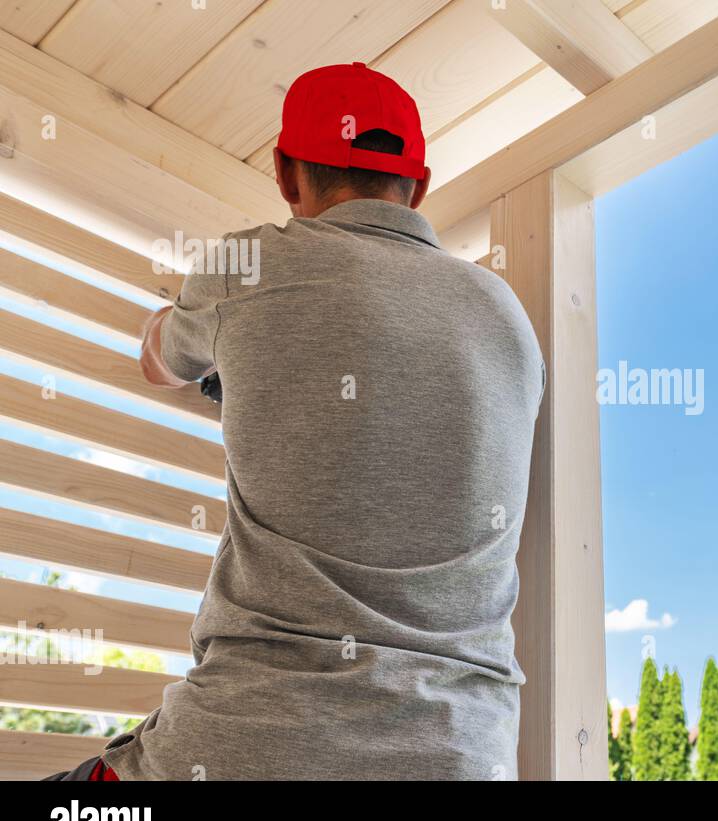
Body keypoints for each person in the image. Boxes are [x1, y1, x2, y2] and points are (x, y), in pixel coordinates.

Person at [45, 62, 543, 780]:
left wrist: (211, 342)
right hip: (464, 755)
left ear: (285, 173)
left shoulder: (249, 268)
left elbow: (158, 358)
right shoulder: (508, 320)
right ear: (419, 186)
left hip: (248, 747)